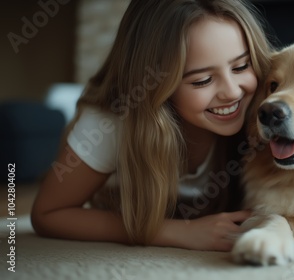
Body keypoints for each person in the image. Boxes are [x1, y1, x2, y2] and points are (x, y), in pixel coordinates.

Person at [31, 0, 272, 252]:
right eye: (202, 80)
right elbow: (48, 214)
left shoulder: (264, 104)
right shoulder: (111, 123)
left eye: (241, 66)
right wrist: (176, 231)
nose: (232, 92)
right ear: (155, 84)